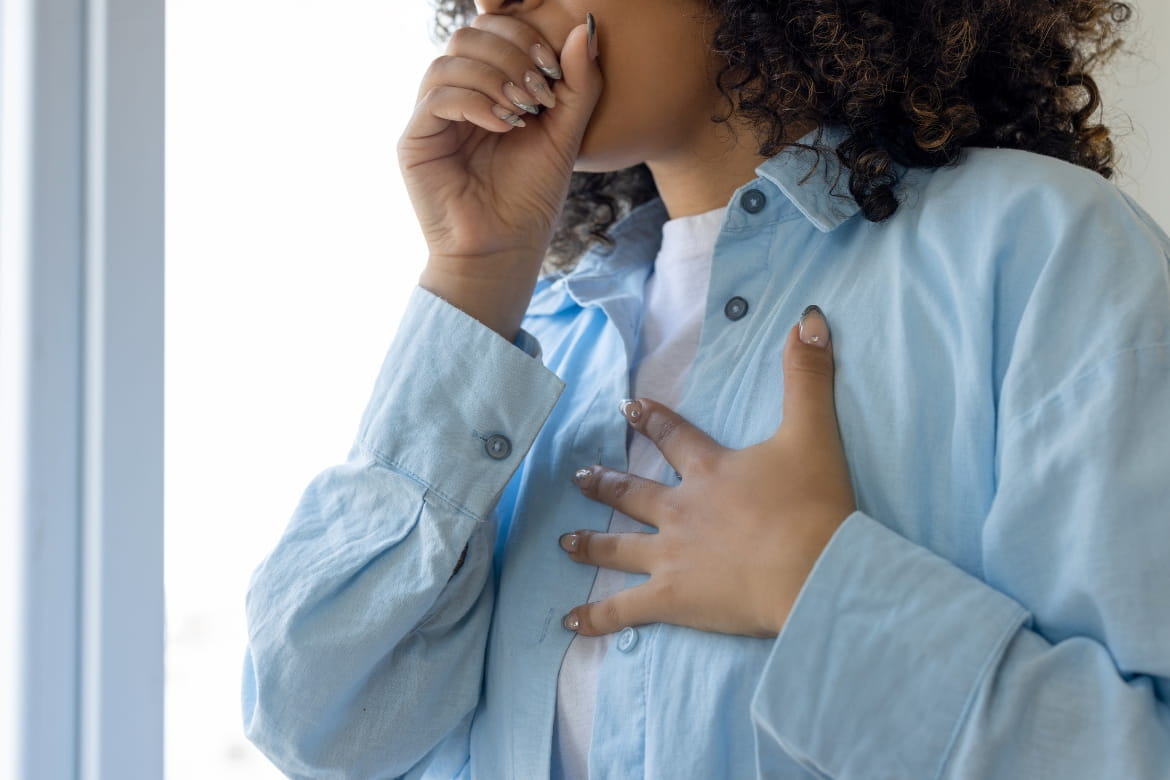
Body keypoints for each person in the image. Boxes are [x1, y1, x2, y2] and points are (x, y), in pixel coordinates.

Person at [242, 0, 1170, 777]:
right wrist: (472, 269)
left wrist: (819, 592)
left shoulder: (1044, 252)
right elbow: (316, 726)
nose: (495, 4)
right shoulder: (532, 345)